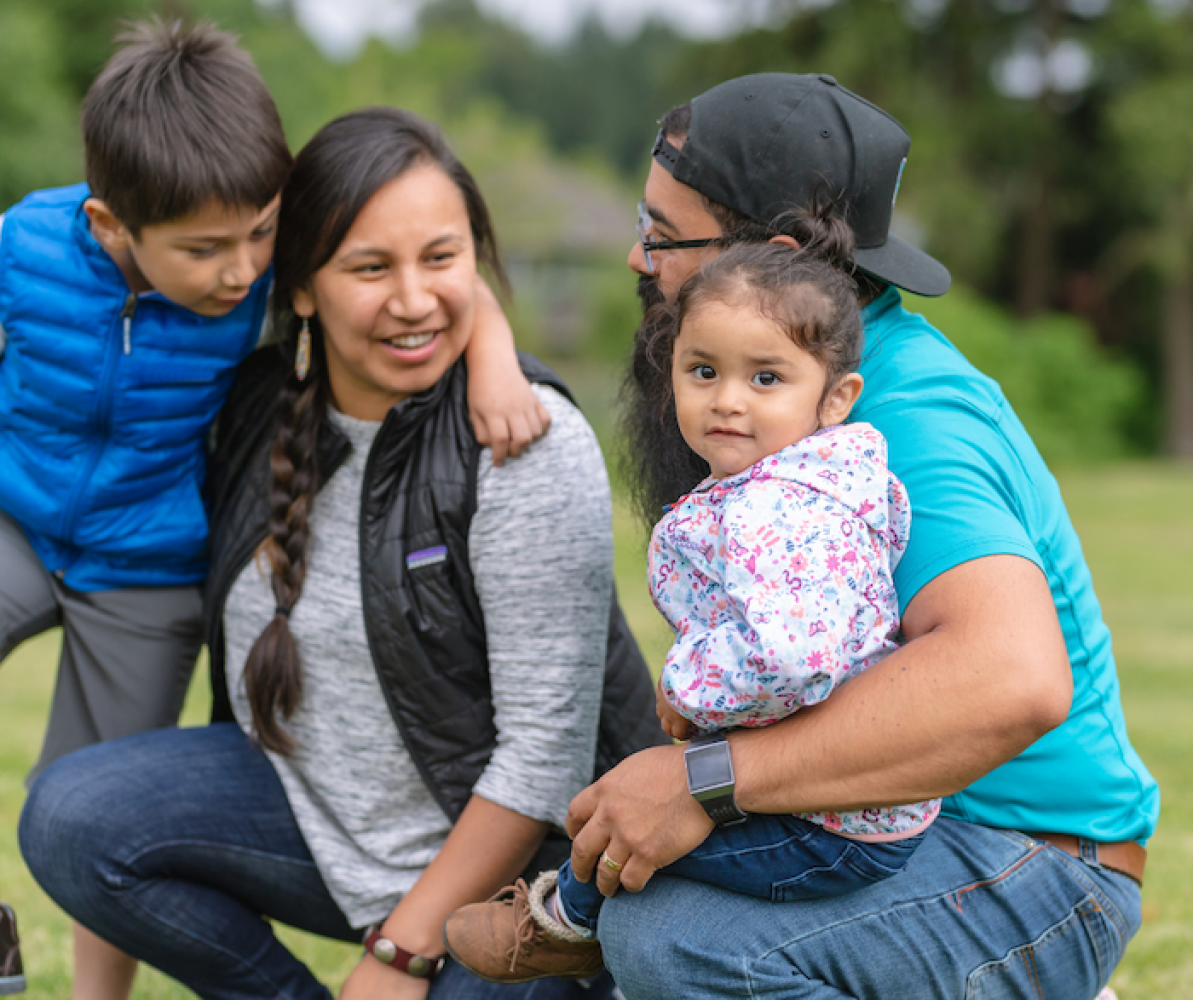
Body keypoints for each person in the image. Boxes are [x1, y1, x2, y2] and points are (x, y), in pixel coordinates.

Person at [18, 105, 663, 1000]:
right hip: (320, 827)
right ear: (300, 286)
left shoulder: (524, 443)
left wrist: (401, 954)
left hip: (525, 881)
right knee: (71, 817)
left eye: (440, 259)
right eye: (369, 267)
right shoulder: (248, 406)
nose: (411, 299)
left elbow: (543, 767)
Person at [563, 73, 1157, 999]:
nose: (640, 260)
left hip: (1034, 861)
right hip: (889, 828)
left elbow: (1014, 679)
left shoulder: (907, 413)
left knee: (676, 940)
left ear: (776, 252)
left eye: (661, 235)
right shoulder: (781, 389)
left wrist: (708, 782)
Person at [444, 239, 941, 982]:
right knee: (643, 807)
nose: (728, 399)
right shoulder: (823, 480)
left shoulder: (776, 508)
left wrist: (688, 683)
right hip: (851, 797)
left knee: (630, 835)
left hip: (827, 824)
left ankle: (565, 920)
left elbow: (791, 659)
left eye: (765, 378)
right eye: (703, 372)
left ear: (834, 398)